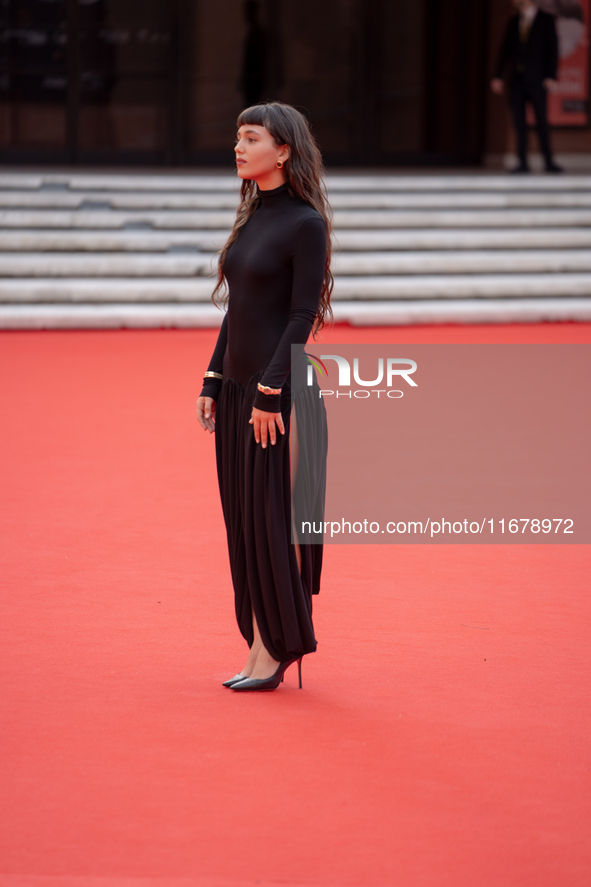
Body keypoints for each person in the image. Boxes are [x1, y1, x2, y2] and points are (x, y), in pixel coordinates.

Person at [196, 102, 332, 692]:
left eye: (250, 138)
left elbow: (302, 316)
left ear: (283, 150)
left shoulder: (305, 224)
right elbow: (240, 311)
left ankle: (278, 647)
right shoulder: (252, 214)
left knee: (270, 522)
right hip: (238, 394)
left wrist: (271, 391)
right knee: (243, 524)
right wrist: (213, 379)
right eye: (237, 137)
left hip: (276, 396)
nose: (238, 146)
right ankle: (258, 643)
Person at [491, 0, 562, 173]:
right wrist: (497, 76)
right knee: (519, 122)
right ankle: (522, 162)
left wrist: (551, 76)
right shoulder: (514, 21)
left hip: (537, 80)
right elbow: (505, 50)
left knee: (541, 121)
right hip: (517, 80)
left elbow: (553, 49)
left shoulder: (546, 19)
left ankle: (548, 161)